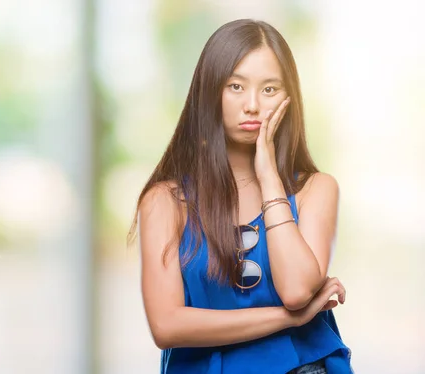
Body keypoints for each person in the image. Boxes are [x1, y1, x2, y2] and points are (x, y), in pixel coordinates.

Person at [128, 19, 353, 374]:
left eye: (269, 89)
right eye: (235, 86)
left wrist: (268, 177)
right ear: (210, 93)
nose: (252, 105)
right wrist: (289, 319)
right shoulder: (164, 202)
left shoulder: (316, 189)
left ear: (289, 98)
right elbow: (166, 326)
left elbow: (296, 290)